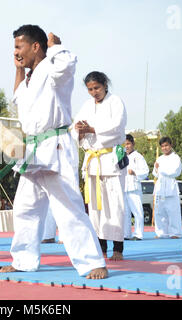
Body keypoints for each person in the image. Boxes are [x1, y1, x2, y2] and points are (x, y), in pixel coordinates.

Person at [0, 25, 107, 279]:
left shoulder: (53, 68)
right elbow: (17, 98)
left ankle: (92, 262)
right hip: (34, 149)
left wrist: (56, 44)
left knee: (67, 206)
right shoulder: (30, 77)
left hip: (55, 145)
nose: (15, 52)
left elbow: (69, 65)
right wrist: (17, 69)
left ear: (36, 46)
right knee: (25, 208)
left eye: (19, 46)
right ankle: (23, 259)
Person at [72, 71, 128, 261]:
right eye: (90, 89)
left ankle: (118, 248)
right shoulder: (87, 106)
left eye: (96, 88)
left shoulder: (116, 102)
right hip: (92, 161)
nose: (94, 92)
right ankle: (100, 248)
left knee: (115, 205)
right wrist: (79, 131)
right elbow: (76, 128)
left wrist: (92, 129)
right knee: (95, 207)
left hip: (110, 159)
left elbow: (117, 127)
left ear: (105, 84)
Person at [152, 137, 182, 239]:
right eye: (162, 146)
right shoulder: (159, 158)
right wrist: (156, 169)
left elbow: (175, 172)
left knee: (173, 211)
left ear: (170, 145)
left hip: (170, 187)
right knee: (159, 211)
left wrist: (160, 169)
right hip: (160, 188)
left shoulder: (175, 158)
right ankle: (161, 232)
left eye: (166, 145)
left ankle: (175, 233)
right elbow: (155, 173)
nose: (164, 148)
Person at [123, 134, 149, 240]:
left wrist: (135, 172)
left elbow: (145, 171)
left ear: (133, 144)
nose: (126, 146)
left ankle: (138, 234)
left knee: (137, 211)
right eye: (124, 144)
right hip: (124, 188)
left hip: (134, 187)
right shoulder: (122, 156)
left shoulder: (138, 156)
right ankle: (126, 234)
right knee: (125, 212)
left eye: (128, 144)